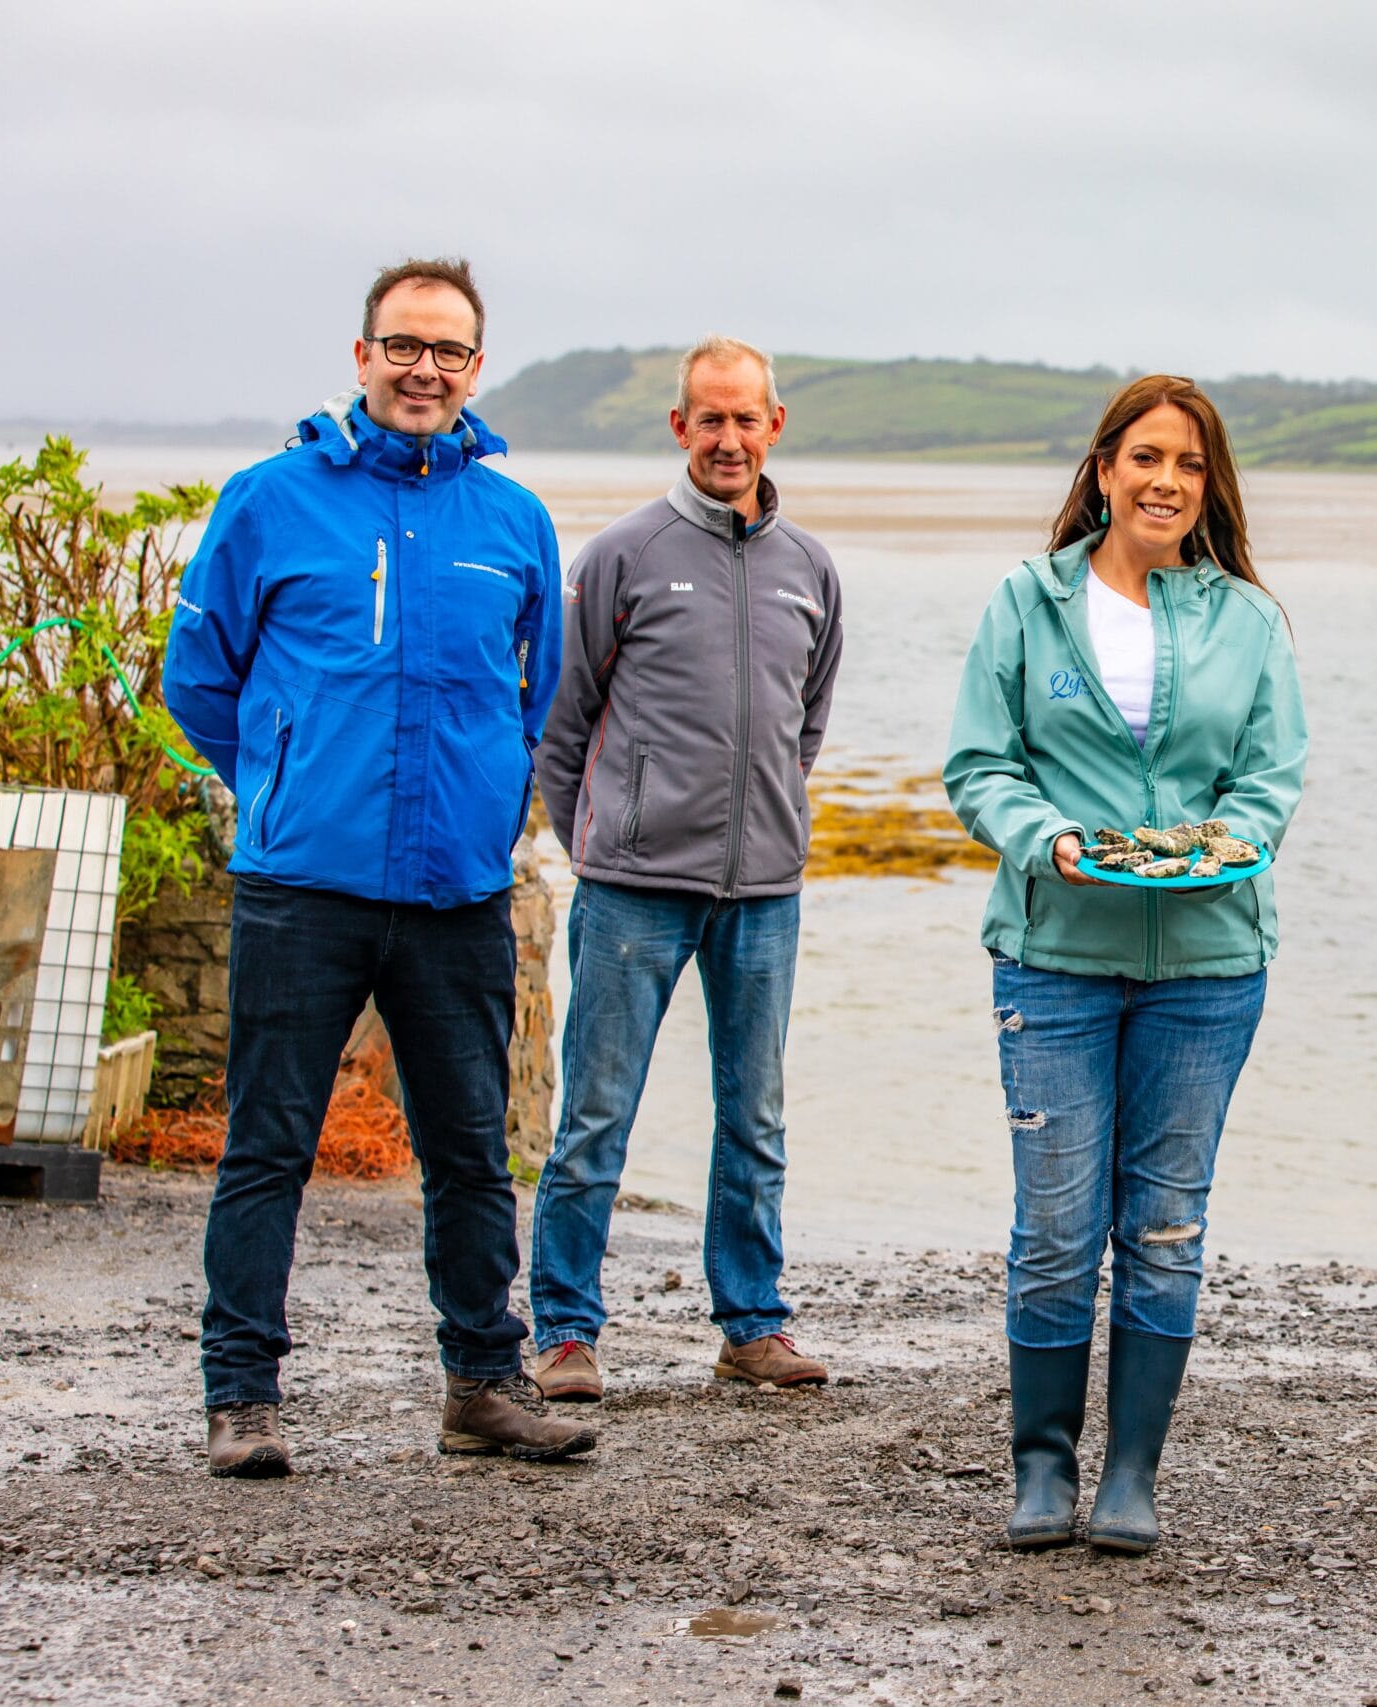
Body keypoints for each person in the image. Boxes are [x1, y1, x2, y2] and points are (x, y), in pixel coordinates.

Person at [164, 257, 593, 1474]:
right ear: (362, 357)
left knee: (469, 1151)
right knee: (268, 1146)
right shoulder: (269, 501)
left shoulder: (511, 520)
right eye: (403, 346)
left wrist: (492, 802)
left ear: (474, 368)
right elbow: (200, 682)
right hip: (302, 888)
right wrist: (282, 778)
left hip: (456, 893)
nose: (424, 370)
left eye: (448, 351)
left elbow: (539, 696)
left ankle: (483, 1386)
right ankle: (241, 1395)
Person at [945, 375, 1306, 1554]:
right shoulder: (1025, 602)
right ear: (1103, 470)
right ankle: (1042, 1467)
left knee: (1163, 1226)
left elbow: (1268, 778)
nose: (1165, 481)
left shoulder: (1246, 621)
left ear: (1210, 487)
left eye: (1189, 465)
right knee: (1055, 1225)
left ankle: (1131, 1475)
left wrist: (1230, 844)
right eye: (1145, 457)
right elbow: (979, 764)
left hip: (1208, 964)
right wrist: (1044, 841)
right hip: (1053, 952)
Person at [527, 337, 844, 1400]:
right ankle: (566, 1330)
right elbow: (561, 726)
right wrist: (597, 841)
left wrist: (764, 817)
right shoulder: (623, 553)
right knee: (595, 1116)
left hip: (763, 894)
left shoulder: (811, 569)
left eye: (744, 418)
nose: (727, 438)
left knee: (754, 1116)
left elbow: (802, 728)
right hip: (631, 890)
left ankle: (751, 1325)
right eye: (708, 419)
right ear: (679, 429)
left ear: (774, 425)